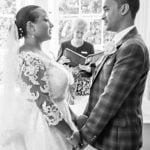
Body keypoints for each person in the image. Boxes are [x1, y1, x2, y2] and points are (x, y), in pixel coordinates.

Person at [70, 0, 150, 149]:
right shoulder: (120, 43)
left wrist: (83, 137)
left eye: (106, 9)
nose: (102, 16)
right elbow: (103, 81)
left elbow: (110, 98)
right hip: (108, 137)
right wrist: (85, 117)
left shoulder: (132, 47)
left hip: (119, 141)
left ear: (123, 9)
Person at [0, 5, 80, 150]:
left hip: (61, 121)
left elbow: (56, 95)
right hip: (46, 129)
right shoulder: (27, 58)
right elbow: (44, 101)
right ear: (31, 26)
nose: (53, 24)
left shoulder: (44, 54)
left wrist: (74, 117)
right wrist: (69, 133)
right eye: (46, 20)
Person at [57, 18, 94, 96]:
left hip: (83, 86)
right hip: (66, 84)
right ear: (73, 31)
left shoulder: (89, 47)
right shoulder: (64, 45)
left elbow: (94, 69)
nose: (80, 35)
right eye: (77, 32)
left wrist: (86, 68)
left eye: (82, 33)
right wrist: (61, 62)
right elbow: (56, 65)